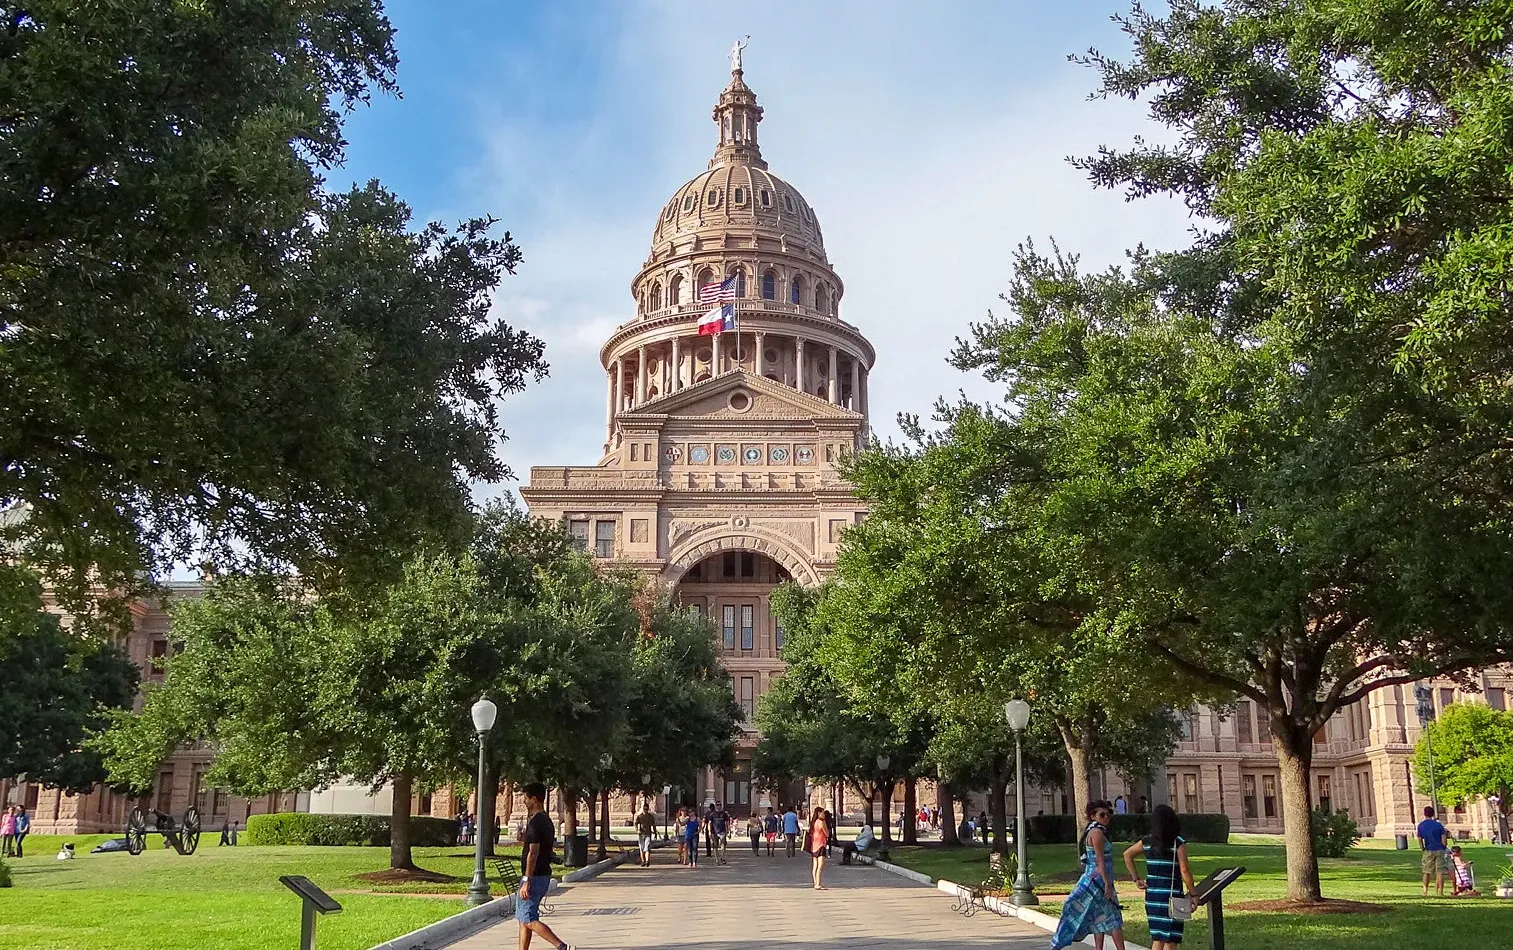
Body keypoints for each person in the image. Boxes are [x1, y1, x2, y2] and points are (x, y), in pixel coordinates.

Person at [1052, 801, 1126, 950]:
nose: (1106, 817)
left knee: (1099, 916)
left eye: (1108, 814)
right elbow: (1100, 862)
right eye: (1102, 815)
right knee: (1114, 919)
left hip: (1096, 879)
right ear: (1093, 816)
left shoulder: (1094, 831)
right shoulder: (1097, 833)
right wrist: (1107, 885)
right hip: (1098, 881)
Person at [1123, 804, 1196, 950]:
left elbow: (1127, 855)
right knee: (1170, 938)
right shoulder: (1177, 842)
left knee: (1158, 937)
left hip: (1153, 896)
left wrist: (1136, 878)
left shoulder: (1147, 841)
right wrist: (1193, 894)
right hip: (1172, 895)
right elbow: (1184, 870)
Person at [517, 781, 574, 950]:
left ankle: (562, 946)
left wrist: (527, 879)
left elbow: (533, 853)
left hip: (534, 876)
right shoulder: (546, 821)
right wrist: (523, 838)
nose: (524, 801)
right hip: (542, 875)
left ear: (534, 799)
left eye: (526, 798)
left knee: (528, 919)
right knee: (524, 918)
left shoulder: (536, 823)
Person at [1417, 805, 1450, 896]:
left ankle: (1425, 891)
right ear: (1433, 814)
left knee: (1426, 871)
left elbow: (1420, 839)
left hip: (1428, 849)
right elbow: (1444, 838)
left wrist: (1422, 848)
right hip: (1439, 849)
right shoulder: (1438, 825)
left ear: (1424, 814)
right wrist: (1443, 847)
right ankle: (1440, 892)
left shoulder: (1421, 826)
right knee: (1439, 871)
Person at [634, 803, 657, 868]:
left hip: (648, 834)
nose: (645, 810)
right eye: (644, 809)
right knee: (642, 848)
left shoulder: (650, 816)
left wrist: (655, 833)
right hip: (641, 834)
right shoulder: (640, 816)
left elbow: (653, 825)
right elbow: (636, 824)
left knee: (647, 847)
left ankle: (647, 861)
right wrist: (637, 830)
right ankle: (643, 860)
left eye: (646, 809)